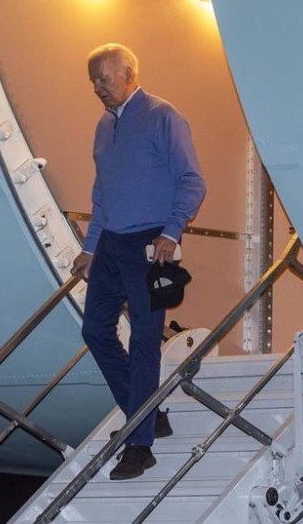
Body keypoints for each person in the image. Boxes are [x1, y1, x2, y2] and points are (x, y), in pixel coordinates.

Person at [71, 43, 206, 480]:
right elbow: (101, 193)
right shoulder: (103, 127)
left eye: (103, 79)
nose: (97, 88)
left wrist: (172, 232)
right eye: (93, 80)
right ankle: (145, 411)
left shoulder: (165, 117)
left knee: (145, 341)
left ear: (128, 74)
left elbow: (192, 181)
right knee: (94, 330)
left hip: (150, 244)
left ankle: (140, 443)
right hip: (110, 244)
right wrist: (90, 247)